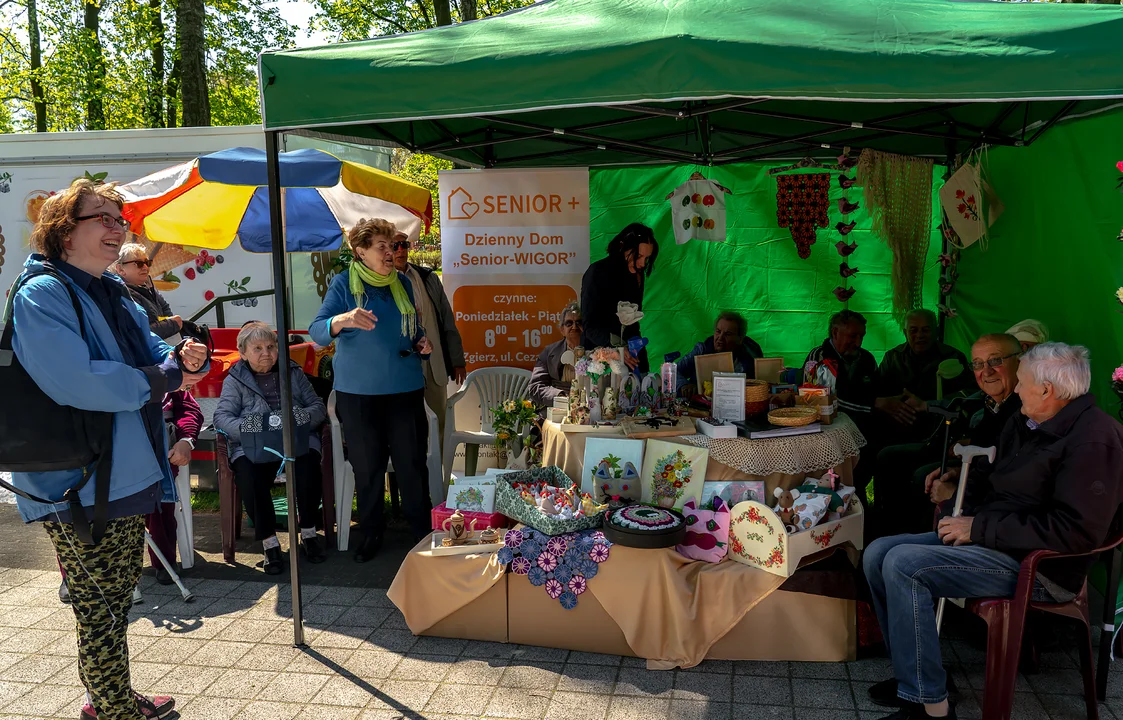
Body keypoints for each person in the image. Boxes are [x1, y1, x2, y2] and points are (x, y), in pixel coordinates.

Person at [9, 178, 209, 720]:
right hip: (78, 478)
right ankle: (113, 709)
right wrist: (157, 379)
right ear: (62, 231)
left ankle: (110, 700)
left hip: (124, 467)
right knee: (101, 606)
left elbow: (153, 350)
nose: (118, 228)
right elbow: (77, 381)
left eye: (120, 219)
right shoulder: (43, 293)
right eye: (103, 217)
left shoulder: (113, 290)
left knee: (115, 599)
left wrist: (183, 360)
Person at [863, 342, 1123, 720]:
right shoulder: (1030, 420)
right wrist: (959, 479)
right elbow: (1000, 476)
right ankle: (918, 674)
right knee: (878, 553)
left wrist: (979, 527)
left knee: (905, 563)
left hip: (1041, 569)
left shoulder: (1093, 440)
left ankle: (929, 706)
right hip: (998, 542)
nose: (1015, 390)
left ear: (1047, 390)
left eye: (1021, 382)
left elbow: (1076, 532)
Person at [310, 218, 434, 563]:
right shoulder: (342, 284)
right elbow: (317, 331)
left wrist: (421, 340)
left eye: (393, 245)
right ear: (360, 251)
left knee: (411, 464)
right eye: (382, 246)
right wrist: (344, 319)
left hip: (405, 388)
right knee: (368, 466)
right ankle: (372, 532)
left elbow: (413, 328)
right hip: (359, 394)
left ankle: (421, 531)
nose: (391, 252)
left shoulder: (403, 284)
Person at [875, 333, 1024, 537]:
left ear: (1020, 360)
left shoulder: (1027, 411)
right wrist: (957, 472)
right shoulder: (993, 402)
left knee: (923, 478)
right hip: (959, 459)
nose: (986, 371)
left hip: (987, 526)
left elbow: (1008, 482)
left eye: (995, 361)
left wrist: (956, 493)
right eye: (978, 364)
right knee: (894, 458)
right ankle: (890, 527)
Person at [213, 322, 328, 574]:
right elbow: (222, 418)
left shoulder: (293, 372)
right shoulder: (235, 379)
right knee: (250, 476)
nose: (266, 353)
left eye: (271, 346)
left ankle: (308, 532)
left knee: (309, 468)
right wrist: (251, 427)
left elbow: (317, 406)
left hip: (294, 441)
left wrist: (299, 418)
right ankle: (269, 543)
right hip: (255, 445)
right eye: (257, 348)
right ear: (243, 353)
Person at [392, 230, 466, 447]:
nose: (400, 250)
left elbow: (447, 321)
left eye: (404, 245)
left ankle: (438, 479)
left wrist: (457, 361)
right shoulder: (381, 281)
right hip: (401, 368)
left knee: (438, 426)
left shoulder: (428, 278)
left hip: (434, 368)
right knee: (405, 429)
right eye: (394, 246)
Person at [878, 309, 973, 442]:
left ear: (937, 331)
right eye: (913, 330)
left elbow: (968, 394)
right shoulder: (893, 357)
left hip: (941, 429)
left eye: (926, 330)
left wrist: (929, 404)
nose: (920, 335)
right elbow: (879, 393)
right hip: (899, 427)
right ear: (905, 333)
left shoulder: (953, 357)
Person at [580, 223, 658, 371]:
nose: (642, 263)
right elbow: (589, 326)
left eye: (646, 258)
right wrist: (616, 350)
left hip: (629, 353)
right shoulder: (597, 272)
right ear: (622, 247)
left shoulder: (637, 275)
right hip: (599, 358)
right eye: (639, 256)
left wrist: (641, 361)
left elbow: (633, 323)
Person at [147, 389, 202, 584]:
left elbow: (189, 409)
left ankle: (164, 560)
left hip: (160, 447)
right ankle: (72, 574)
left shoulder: (164, 368)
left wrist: (186, 439)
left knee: (158, 497)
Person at [677, 310, 763, 395]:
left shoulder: (751, 355)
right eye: (718, 331)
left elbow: (762, 384)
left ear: (740, 339)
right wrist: (684, 385)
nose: (720, 338)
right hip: (700, 405)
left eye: (728, 334)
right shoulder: (702, 350)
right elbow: (672, 371)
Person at [113, 242, 182, 340]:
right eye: (139, 264)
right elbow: (138, 335)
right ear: (120, 269)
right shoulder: (122, 295)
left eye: (147, 262)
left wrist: (170, 323)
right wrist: (172, 324)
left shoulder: (148, 286)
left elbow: (166, 310)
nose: (146, 267)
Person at [528, 301, 583, 409]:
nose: (574, 327)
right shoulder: (548, 352)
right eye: (569, 323)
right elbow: (535, 387)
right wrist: (560, 396)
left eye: (579, 322)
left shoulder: (597, 352)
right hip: (557, 405)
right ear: (562, 329)